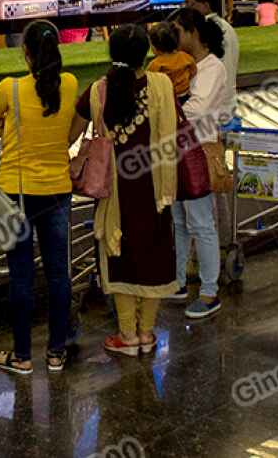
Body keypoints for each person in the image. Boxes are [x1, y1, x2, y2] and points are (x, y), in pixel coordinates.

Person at [0, 20, 78, 374]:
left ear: (26, 52)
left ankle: (21, 355)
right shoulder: (69, 84)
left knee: (20, 276)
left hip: (15, 194)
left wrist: (7, 128)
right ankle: (56, 351)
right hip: (57, 191)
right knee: (57, 274)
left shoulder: (10, 89)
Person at [72, 24, 178, 356]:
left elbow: (70, 136)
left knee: (120, 254)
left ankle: (127, 335)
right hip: (155, 190)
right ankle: (146, 333)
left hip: (114, 191)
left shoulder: (97, 91)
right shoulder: (162, 85)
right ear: (145, 52)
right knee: (153, 256)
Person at [168, 8, 228, 319]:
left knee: (201, 222)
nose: (173, 37)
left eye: (177, 31)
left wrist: (166, 106)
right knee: (179, 221)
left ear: (193, 32)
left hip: (200, 151)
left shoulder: (212, 67)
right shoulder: (180, 66)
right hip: (176, 151)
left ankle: (209, 291)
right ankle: (177, 282)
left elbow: (198, 108)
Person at [148, 21, 197, 101]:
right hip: (186, 94)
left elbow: (150, 82)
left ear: (155, 47)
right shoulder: (184, 56)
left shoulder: (156, 64)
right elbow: (194, 70)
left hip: (168, 97)